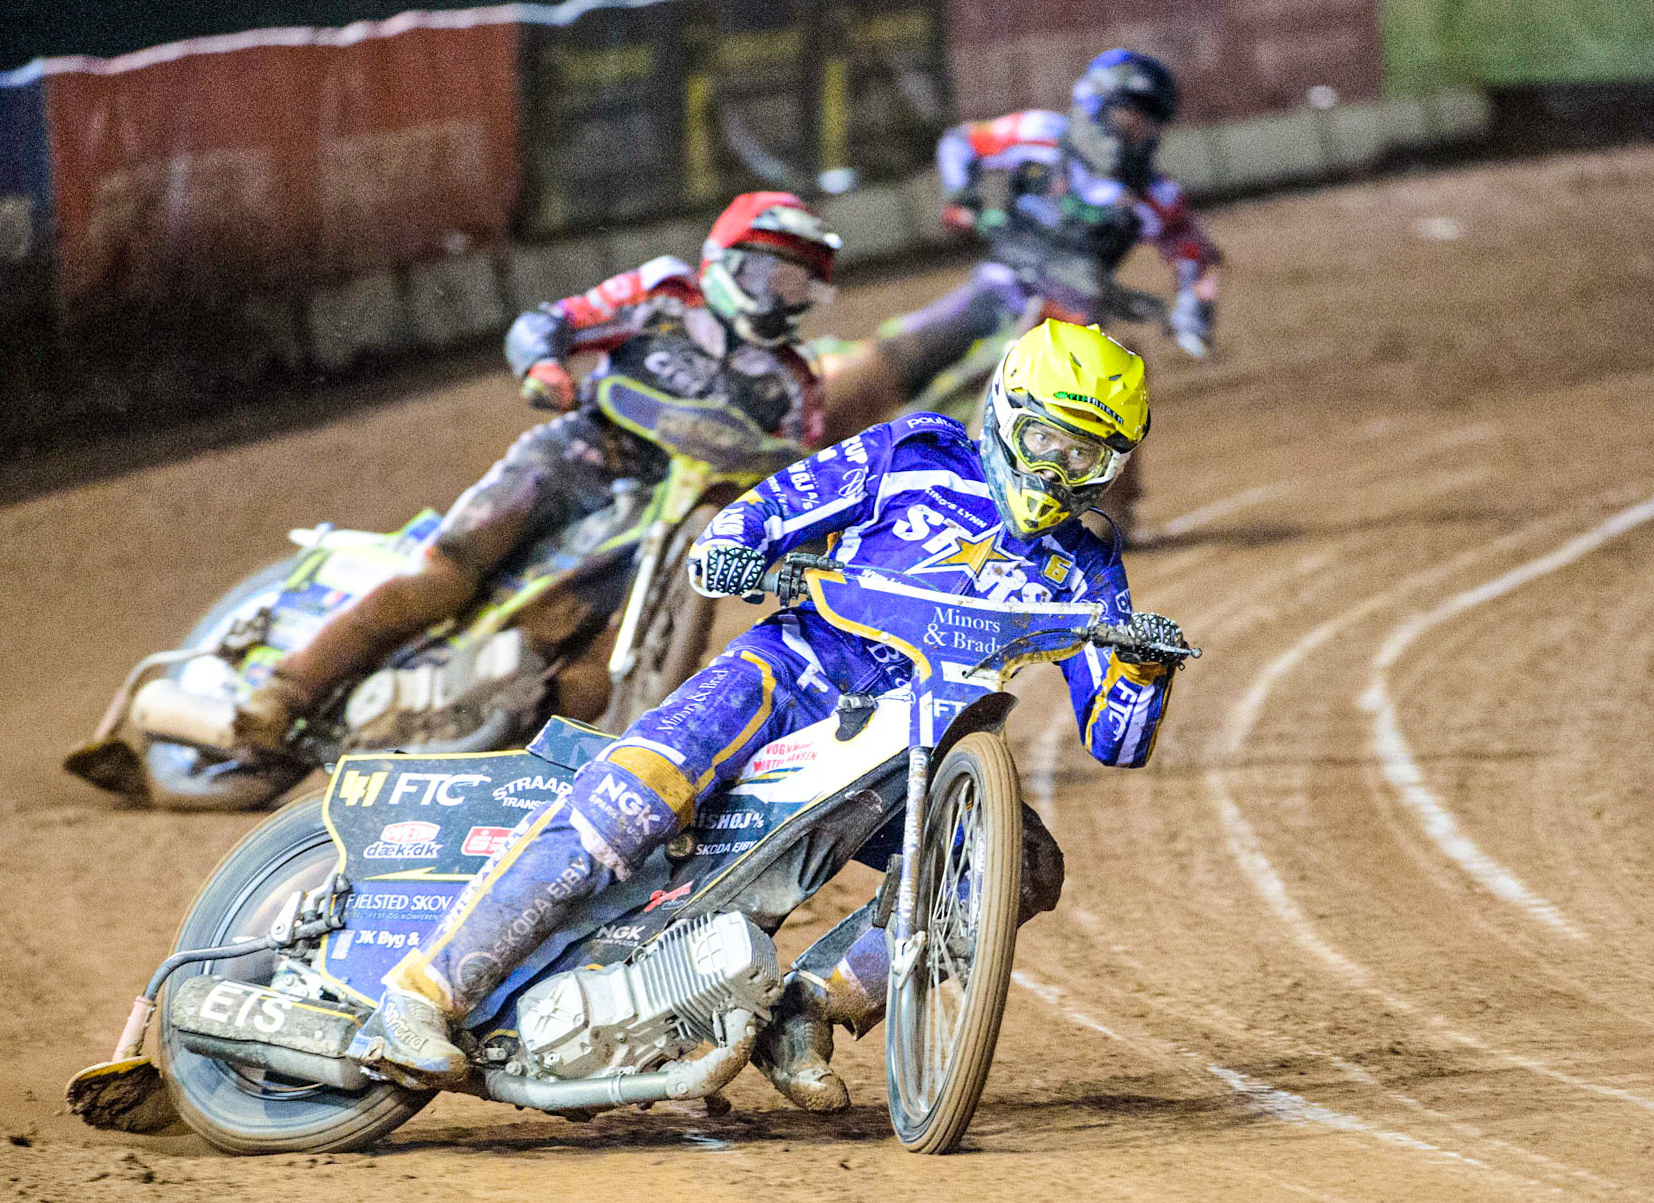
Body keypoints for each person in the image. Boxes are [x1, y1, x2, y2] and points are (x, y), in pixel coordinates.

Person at [347, 319, 1192, 1111]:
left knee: (1020, 867)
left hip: (910, 750)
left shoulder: (1085, 565)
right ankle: (422, 994)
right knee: (630, 799)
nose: (1054, 468)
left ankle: (812, 1005)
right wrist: (735, 547)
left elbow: (1116, 739)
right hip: (788, 675)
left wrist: (1144, 666)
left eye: (1082, 454)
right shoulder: (911, 455)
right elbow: (772, 506)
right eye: (1045, 438)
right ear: (1007, 415)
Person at [231, 192, 842, 753]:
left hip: (668, 513)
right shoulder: (663, 296)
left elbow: (794, 472)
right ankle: (287, 689)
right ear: (727, 262)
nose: (785, 297)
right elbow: (553, 320)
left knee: (589, 670)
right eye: (777, 276)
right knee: (447, 573)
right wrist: (545, 366)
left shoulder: (792, 383)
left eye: (800, 287)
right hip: (576, 455)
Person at [830, 49, 1223, 541]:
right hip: (1000, 283)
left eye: (1147, 124)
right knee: (895, 357)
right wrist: (961, 197)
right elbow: (961, 142)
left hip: (1074, 312)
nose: (1134, 133)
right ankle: (812, 448)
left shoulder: (1156, 195)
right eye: (1127, 116)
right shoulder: (1038, 135)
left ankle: (1109, 514)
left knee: (1114, 389)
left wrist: (1194, 310)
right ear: (1094, 106)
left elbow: (1196, 257)